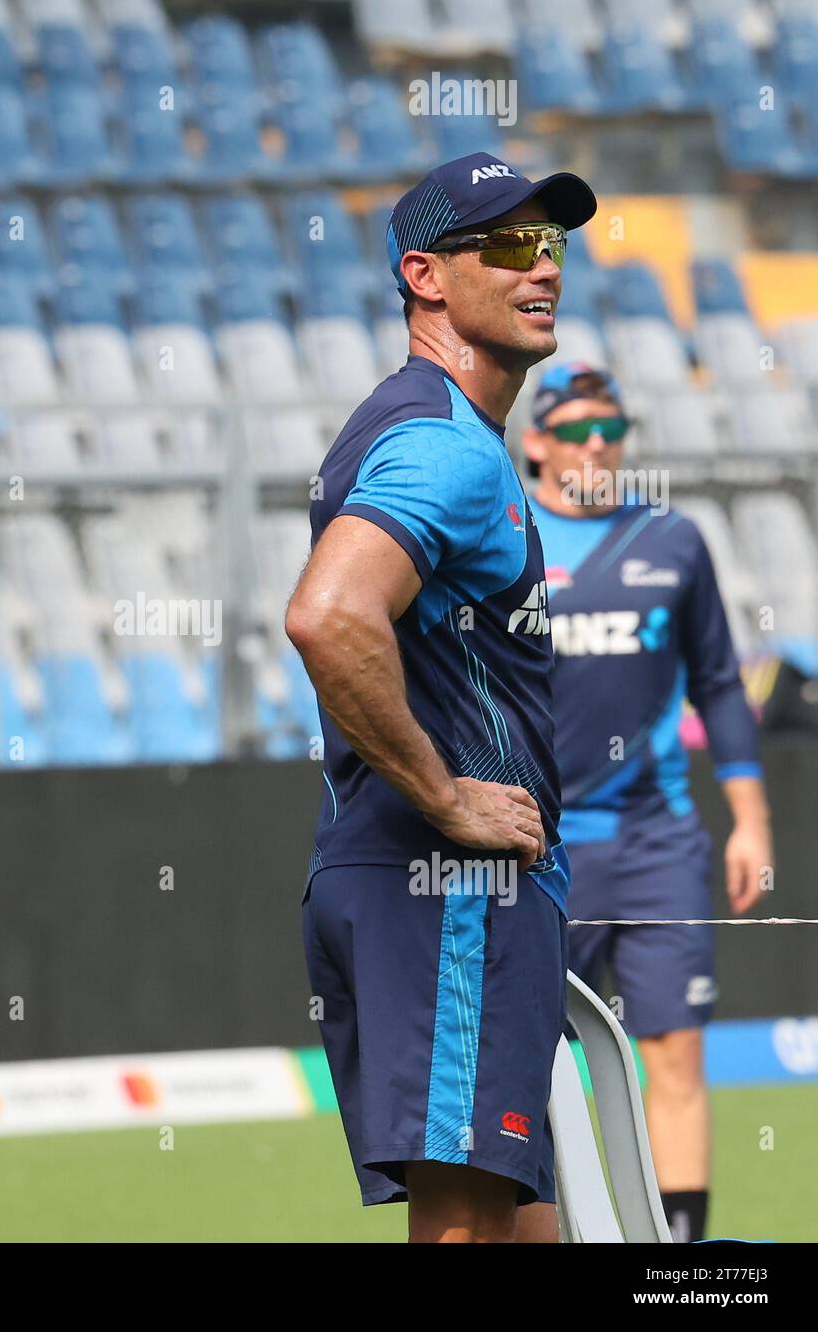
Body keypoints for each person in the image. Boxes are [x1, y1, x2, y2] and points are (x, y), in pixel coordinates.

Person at [286, 151, 596, 1243]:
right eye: (509, 243)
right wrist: (449, 798)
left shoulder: (431, 431)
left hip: (435, 890)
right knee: (464, 1229)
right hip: (448, 890)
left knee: (523, 1230)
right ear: (424, 274)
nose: (544, 267)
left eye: (552, 243)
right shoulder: (439, 445)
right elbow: (326, 615)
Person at [523, 362, 771, 1243]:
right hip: (542, 848)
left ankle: (680, 1255)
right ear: (537, 442)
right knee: (538, 1064)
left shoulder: (673, 541)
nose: (599, 445)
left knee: (673, 1049)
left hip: (658, 838)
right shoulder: (504, 539)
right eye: (580, 429)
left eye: (612, 429)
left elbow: (720, 686)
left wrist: (750, 820)